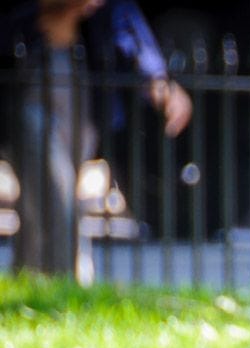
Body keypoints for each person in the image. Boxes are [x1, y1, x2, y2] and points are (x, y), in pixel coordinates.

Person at [0, 0, 191, 275]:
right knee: (56, 192)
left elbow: (123, 21)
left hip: (77, 80)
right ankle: (64, 285)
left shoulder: (101, 23)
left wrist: (157, 76)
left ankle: (31, 278)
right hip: (29, 82)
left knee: (45, 198)